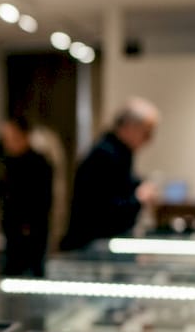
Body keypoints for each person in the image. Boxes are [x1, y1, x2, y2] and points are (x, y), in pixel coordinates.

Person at [60, 97, 160, 251]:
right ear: (129, 127)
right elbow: (100, 212)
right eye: (146, 133)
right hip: (92, 246)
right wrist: (139, 197)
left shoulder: (119, 153)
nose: (149, 140)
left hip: (102, 243)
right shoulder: (105, 155)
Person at [0, 115, 54, 277]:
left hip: (32, 234)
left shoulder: (39, 163)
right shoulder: (4, 162)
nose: (8, 142)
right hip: (11, 232)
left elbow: (42, 201)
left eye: (12, 137)